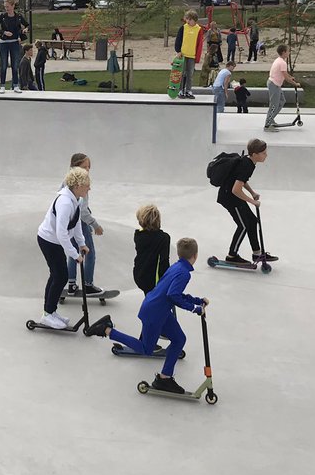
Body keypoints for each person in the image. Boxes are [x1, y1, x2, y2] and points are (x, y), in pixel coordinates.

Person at [83, 238, 208, 396]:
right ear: (195, 256)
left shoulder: (177, 267)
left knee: (179, 339)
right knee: (146, 349)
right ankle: (107, 330)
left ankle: (165, 378)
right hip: (155, 314)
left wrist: (197, 300)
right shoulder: (184, 273)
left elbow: (173, 293)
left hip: (159, 310)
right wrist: (194, 308)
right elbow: (173, 295)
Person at [35, 165, 90, 329]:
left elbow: (77, 223)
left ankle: (50, 312)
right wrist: (74, 254)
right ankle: (47, 314)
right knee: (60, 276)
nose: (89, 188)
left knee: (57, 275)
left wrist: (82, 243)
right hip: (49, 241)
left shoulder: (76, 200)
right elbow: (61, 233)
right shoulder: (65, 202)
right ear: (78, 186)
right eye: (87, 186)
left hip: (56, 241)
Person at [216, 138, 276, 264]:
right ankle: (231, 256)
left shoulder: (248, 162)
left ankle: (257, 253)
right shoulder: (247, 165)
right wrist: (252, 201)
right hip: (229, 198)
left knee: (252, 221)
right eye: (263, 153)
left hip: (234, 196)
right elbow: (236, 190)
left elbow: (241, 180)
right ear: (255, 155)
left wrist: (252, 192)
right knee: (243, 226)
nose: (266, 155)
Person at [65, 153, 105, 297]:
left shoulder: (67, 181)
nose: (87, 170)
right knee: (90, 252)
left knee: (73, 252)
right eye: (84, 167)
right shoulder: (81, 183)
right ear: (74, 167)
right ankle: (88, 285)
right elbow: (82, 211)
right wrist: (95, 225)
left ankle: (71, 284)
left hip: (70, 220)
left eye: (89, 167)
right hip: (80, 222)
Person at [0, 0, 29, 94]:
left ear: (13, 6)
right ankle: (2, 86)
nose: (6, 9)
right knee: (4, 65)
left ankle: (16, 85)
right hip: (3, 43)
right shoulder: (2, 16)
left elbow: (27, 25)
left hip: (15, 43)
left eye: (8, 7)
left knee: (15, 65)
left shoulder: (19, 16)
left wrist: (25, 29)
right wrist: (4, 32)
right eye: (5, 7)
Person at [131, 204, 171, 296]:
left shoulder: (138, 236)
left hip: (139, 274)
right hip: (153, 279)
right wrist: (167, 282)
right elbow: (164, 261)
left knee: (149, 298)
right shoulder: (164, 238)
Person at [265, 44, 301, 131]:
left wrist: (290, 77)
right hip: (274, 85)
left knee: (282, 101)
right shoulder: (282, 62)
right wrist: (295, 83)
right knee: (274, 105)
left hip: (275, 84)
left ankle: (271, 118)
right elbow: (285, 77)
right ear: (283, 52)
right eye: (288, 51)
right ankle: (267, 125)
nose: (289, 53)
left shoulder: (279, 60)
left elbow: (284, 73)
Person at [172, 10, 203, 99]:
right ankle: (181, 90)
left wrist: (197, 57)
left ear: (195, 19)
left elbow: (199, 44)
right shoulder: (183, 28)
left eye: (190, 19)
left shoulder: (199, 29)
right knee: (182, 73)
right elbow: (178, 40)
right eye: (187, 19)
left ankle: (188, 90)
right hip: (183, 55)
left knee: (190, 74)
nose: (188, 21)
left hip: (192, 55)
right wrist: (178, 51)